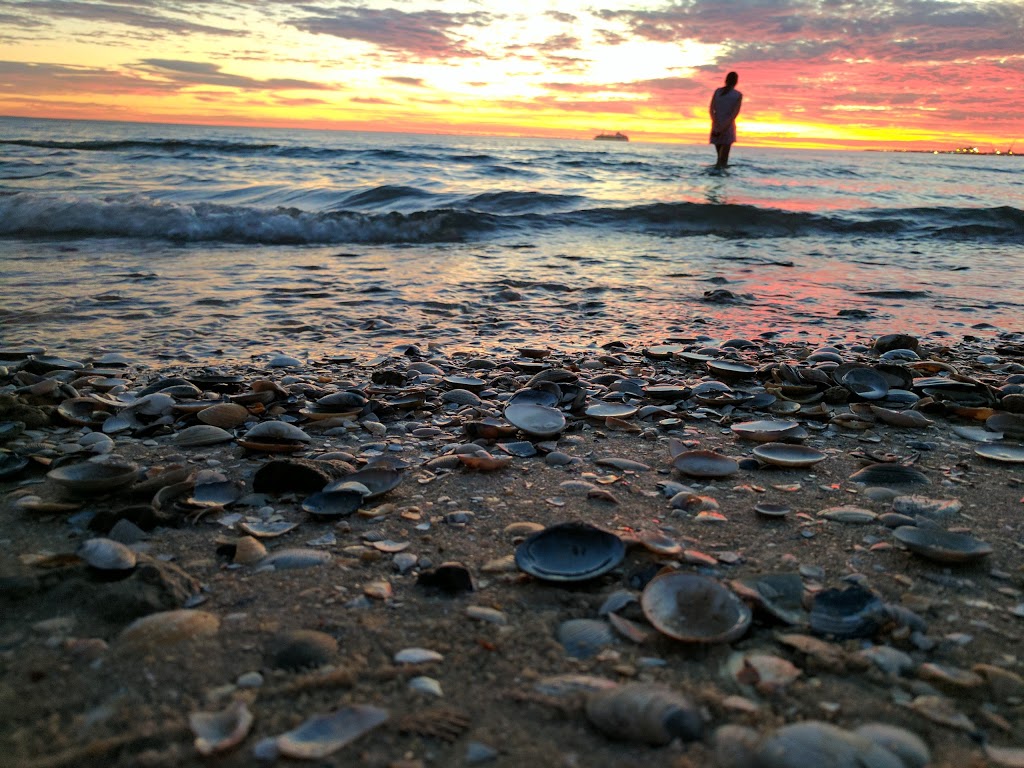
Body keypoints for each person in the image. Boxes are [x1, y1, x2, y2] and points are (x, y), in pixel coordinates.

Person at [709, 71, 742, 168]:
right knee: (723, 160)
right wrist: (724, 128)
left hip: (716, 126)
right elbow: (734, 115)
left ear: (726, 80)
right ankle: (723, 180)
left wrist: (716, 124)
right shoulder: (737, 95)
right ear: (736, 82)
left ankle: (716, 179)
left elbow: (711, 109)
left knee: (719, 158)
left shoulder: (718, 92)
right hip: (727, 127)